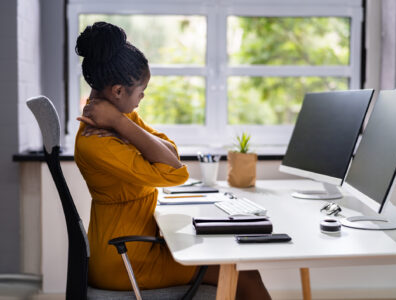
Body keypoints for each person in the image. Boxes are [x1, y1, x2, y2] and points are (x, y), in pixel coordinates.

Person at [75, 21, 271, 299]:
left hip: (137, 246)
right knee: (246, 276)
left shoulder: (120, 119)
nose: (140, 99)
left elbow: (169, 152)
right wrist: (121, 122)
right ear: (118, 91)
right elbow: (175, 173)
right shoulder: (97, 141)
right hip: (125, 259)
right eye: (140, 93)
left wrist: (122, 123)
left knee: (239, 268)